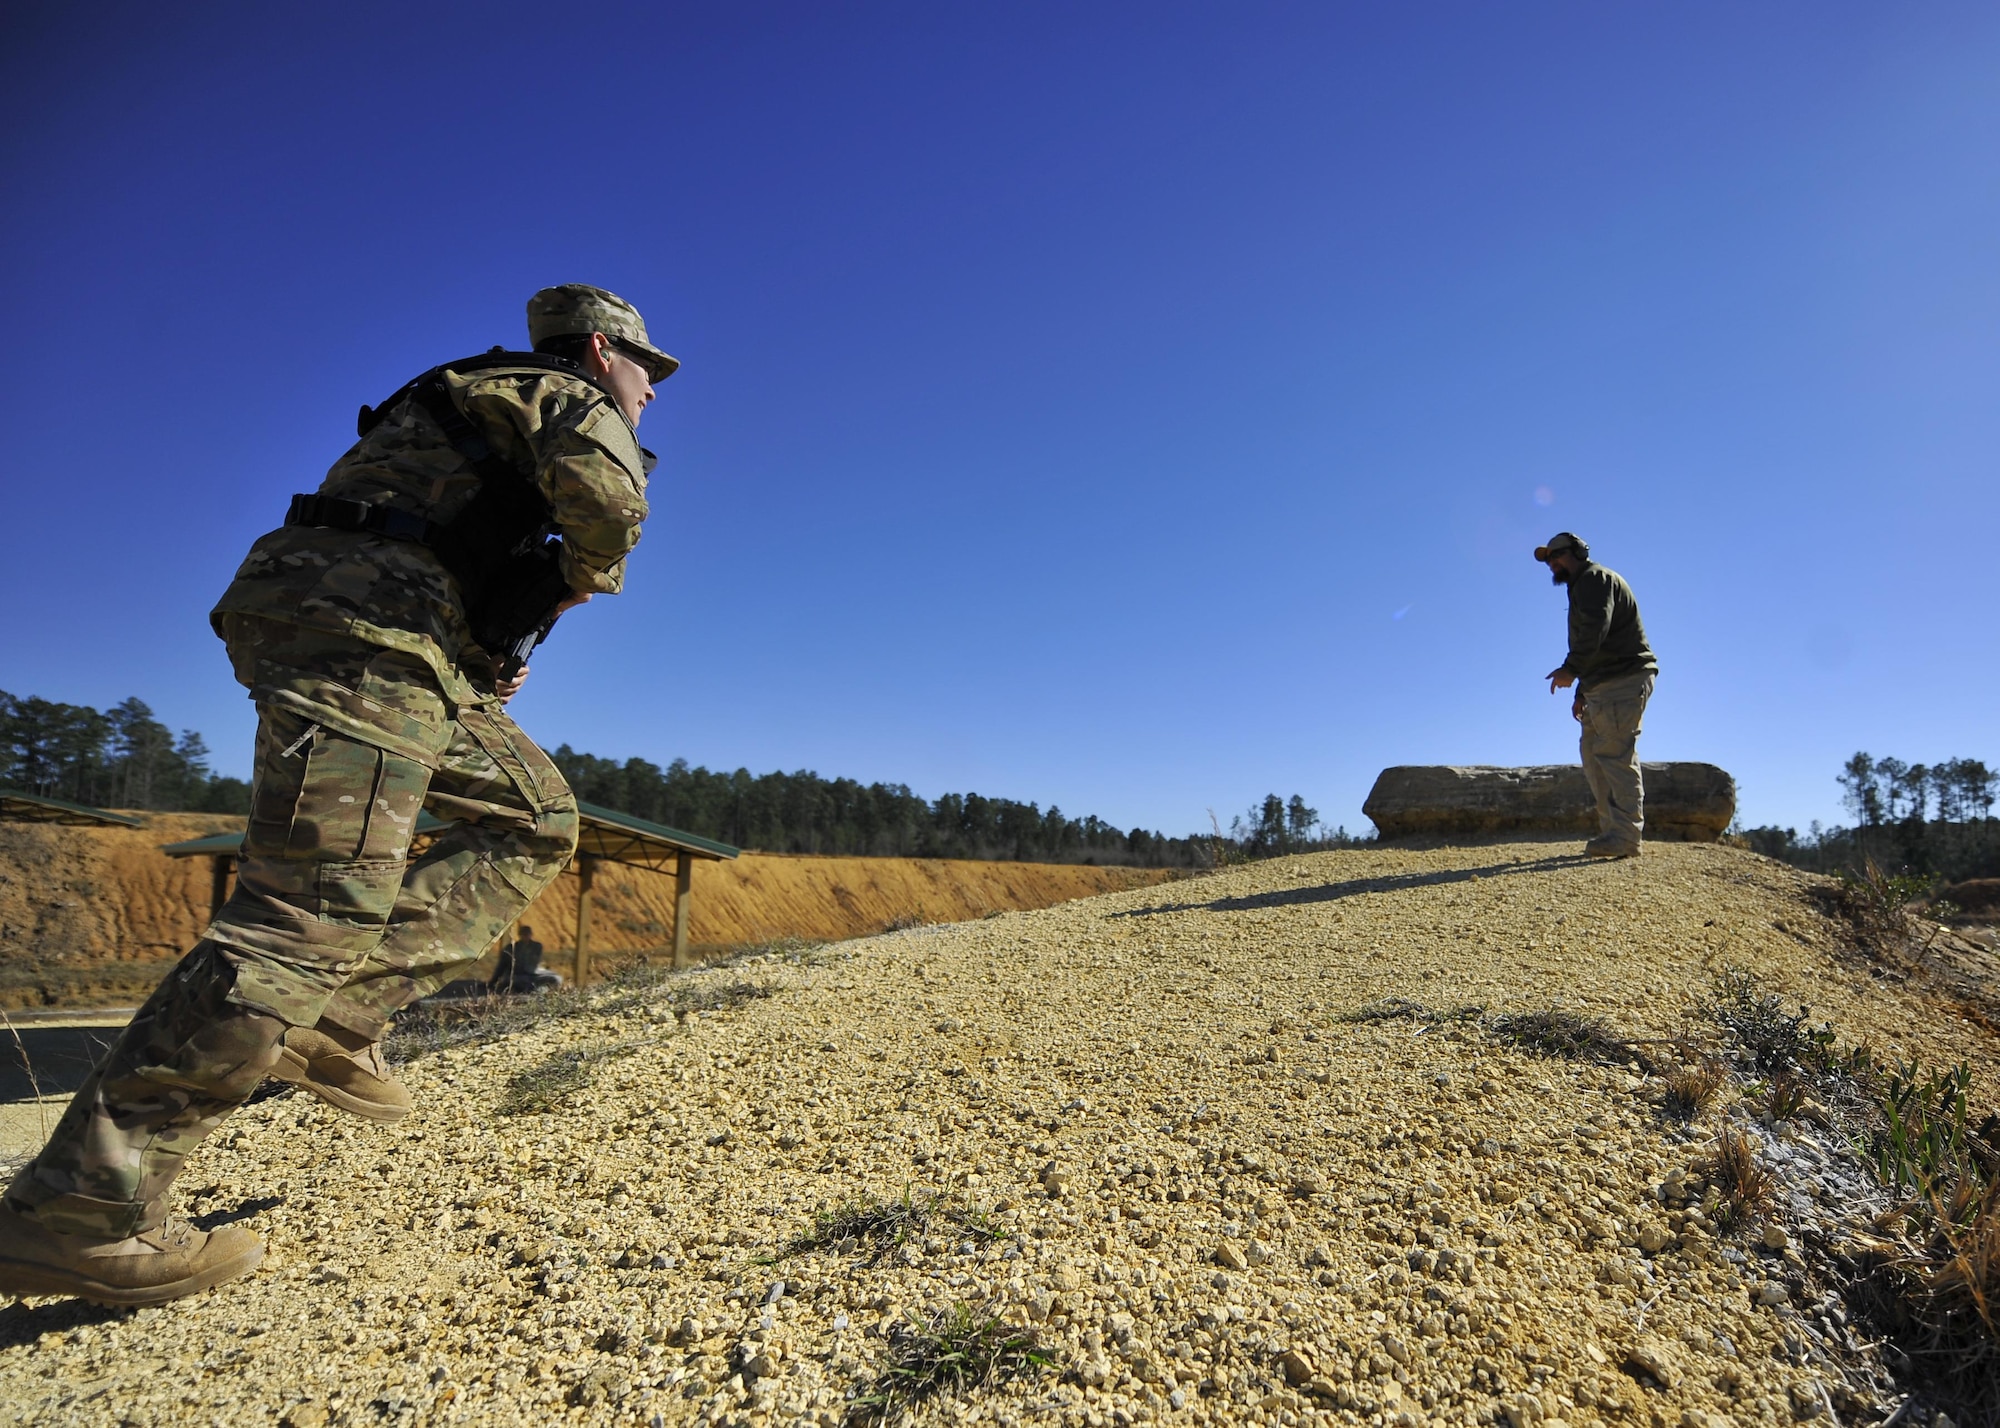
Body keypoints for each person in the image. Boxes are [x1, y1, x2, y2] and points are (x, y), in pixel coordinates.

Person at [0, 284, 676, 1306]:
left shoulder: (472, 399)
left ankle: (337, 1019)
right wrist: (576, 580)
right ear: (598, 350)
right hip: (364, 635)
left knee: (530, 816)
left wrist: (482, 631)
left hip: (391, 634)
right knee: (302, 915)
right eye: (644, 371)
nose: (650, 395)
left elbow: (431, 523)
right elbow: (612, 504)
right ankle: (82, 1209)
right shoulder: (559, 392)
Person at [1535, 531, 1658, 859]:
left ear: (1577, 551)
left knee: (1615, 755)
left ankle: (1626, 835)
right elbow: (1596, 642)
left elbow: (1594, 629)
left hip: (1622, 680)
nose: (1551, 564)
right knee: (1593, 754)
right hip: (1602, 684)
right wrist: (1582, 690)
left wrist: (1570, 669)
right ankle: (1612, 832)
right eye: (1548, 560)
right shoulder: (1582, 585)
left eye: (1556, 556)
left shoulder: (1593, 579)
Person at [489, 924, 559, 994]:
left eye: (527, 934)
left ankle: (537, 989)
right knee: (518, 982)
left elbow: (534, 963)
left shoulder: (536, 946)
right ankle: (533, 990)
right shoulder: (511, 948)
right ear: (520, 935)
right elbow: (501, 967)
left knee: (556, 978)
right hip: (518, 976)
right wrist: (493, 981)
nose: (525, 936)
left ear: (531, 935)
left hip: (533, 974)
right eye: (524, 934)